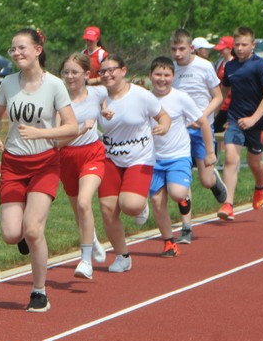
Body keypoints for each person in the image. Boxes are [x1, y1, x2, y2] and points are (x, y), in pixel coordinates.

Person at [0, 28, 79, 312]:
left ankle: (39, 292)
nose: (16, 53)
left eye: (22, 48)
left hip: (44, 163)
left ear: (38, 50)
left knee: (34, 229)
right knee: (10, 234)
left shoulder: (54, 85)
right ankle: (24, 237)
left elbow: (72, 127)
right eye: (12, 49)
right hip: (13, 164)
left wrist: (41, 134)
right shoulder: (8, 83)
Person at [97, 54, 171, 273]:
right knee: (107, 210)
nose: (107, 75)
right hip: (110, 157)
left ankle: (140, 204)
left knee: (129, 205)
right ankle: (122, 256)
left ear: (123, 70)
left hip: (139, 158)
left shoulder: (140, 95)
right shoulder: (98, 96)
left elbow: (163, 116)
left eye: (112, 70)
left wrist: (164, 127)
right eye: (103, 71)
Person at [147, 56, 216, 258]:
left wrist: (210, 152)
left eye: (167, 75)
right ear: (150, 76)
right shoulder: (146, 99)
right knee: (157, 201)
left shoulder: (181, 98)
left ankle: (184, 197)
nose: (162, 79)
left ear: (173, 76)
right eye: (158, 74)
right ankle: (169, 242)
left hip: (178, 155)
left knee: (177, 193)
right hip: (153, 159)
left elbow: (203, 123)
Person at [171, 30, 228, 244]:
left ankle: (214, 181)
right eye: (174, 49)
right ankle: (186, 227)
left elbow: (218, 97)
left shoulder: (204, 66)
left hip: (202, 128)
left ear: (191, 48)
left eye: (182, 49)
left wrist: (202, 116)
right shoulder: (171, 69)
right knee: (182, 180)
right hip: (180, 132)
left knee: (205, 180)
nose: (178, 54)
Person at [57, 53, 108, 279]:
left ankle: (85, 261)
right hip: (67, 156)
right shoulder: (58, 101)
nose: (70, 76)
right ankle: (92, 238)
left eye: (74, 72)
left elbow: (112, 96)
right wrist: (79, 130)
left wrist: (105, 111)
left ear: (87, 74)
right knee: (79, 211)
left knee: (84, 202)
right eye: (66, 72)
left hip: (92, 154)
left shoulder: (98, 93)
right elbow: (56, 142)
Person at [217, 26, 263, 221]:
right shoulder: (230, 67)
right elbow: (223, 92)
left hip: (256, 123)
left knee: (254, 162)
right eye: (237, 45)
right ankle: (228, 204)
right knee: (230, 158)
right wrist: (211, 114)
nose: (240, 48)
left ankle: (260, 184)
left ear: (253, 45)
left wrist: (253, 119)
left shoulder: (260, 65)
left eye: (244, 45)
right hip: (235, 119)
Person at [212, 36, 235, 144]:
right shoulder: (220, 63)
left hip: (231, 105)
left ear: (230, 49)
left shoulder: (235, 63)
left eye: (223, 49)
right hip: (221, 103)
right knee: (212, 127)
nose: (220, 51)